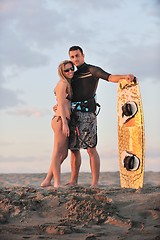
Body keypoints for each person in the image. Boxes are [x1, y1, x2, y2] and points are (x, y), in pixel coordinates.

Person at [67, 46, 135, 187]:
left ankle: (94, 184)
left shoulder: (92, 70)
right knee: (74, 149)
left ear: (83, 55)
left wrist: (124, 77)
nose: (75, 59)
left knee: (91, 148)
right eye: (72, 57)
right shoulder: (71, 75)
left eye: (77, 55)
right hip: (73, 115)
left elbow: (109, 77)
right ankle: (73, 181)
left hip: (88, 114)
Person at [41, 60, 74, 188]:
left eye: (72, 69)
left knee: (64, 154)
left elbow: (61, 103)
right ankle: (57, 183)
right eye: (67, 70)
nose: (70, 71)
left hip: (63, 120)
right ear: (62, 72)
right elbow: (60, 103)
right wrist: (65, 124)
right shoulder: (62, 84)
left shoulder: (67, 84)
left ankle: (48, 180)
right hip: (60, 121)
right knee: (57, 151)